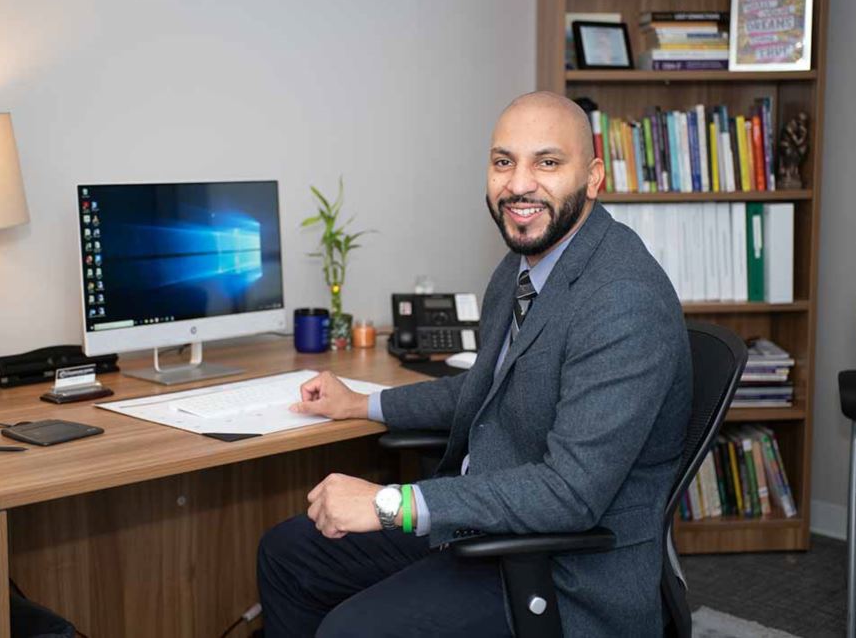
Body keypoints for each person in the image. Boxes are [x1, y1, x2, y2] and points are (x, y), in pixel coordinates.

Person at [257, 91, 691, 637]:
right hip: (486, 524)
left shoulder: (623, 299)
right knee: (289, 553)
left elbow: (570, 494)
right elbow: (483, 389)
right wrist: (360, 403)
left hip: (562, 573)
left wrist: (393, 503)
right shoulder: (519, 268)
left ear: (594, 176)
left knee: (352, 630)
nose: (518, 184)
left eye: (548, 162)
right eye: (503, 161)